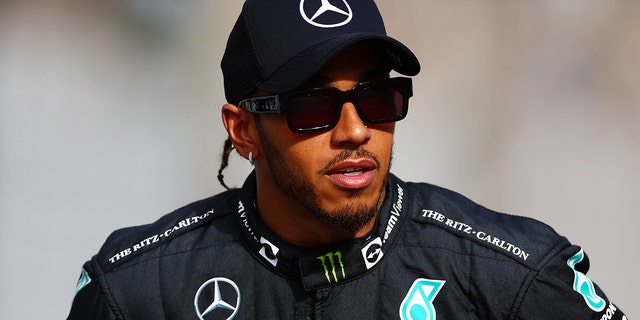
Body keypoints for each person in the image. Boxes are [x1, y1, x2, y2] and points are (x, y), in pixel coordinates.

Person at [67, 0, 627, 319]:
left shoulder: (511, 276)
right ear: (243, 131)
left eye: (377, 98)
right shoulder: (135, 292)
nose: (356, 131)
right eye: (313, 108)